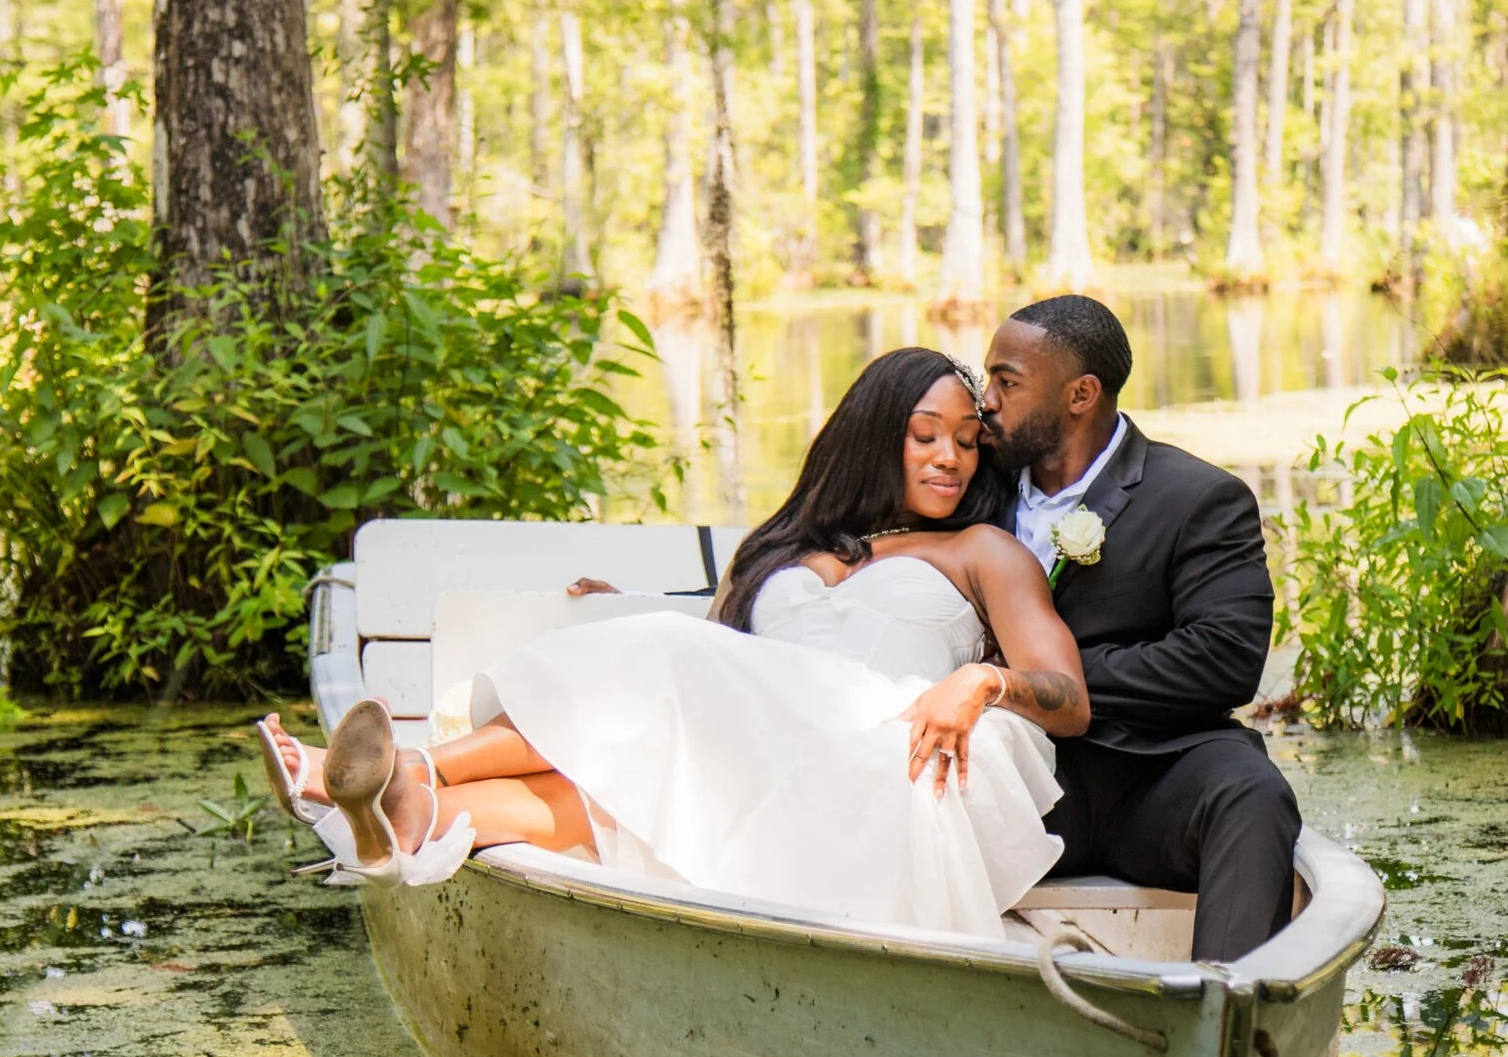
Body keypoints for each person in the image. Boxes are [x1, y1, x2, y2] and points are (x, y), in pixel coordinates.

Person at [258, 348, 1090, 940]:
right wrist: (635, 607)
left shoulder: (985, 553)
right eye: (925, 434)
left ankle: (410, 767)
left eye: (967, 440)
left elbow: (1068, 696)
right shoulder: (787, 548)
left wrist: (982, 682)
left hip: (879, 764)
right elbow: (732, 649)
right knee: (621, 785)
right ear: (877, 435)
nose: (950, 456)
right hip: (765, 763)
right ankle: (417, 812)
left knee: (657, 659)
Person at [979, 295, 1301, 962]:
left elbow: (1224, 660)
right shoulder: (969, 487)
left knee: (1254, 792)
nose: (986, 399)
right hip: (1016, 781)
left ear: (1080, 393)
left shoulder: (1197, 498)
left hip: (1157, 772)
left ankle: (1225, 1018)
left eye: (1005, 381)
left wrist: (1047, 681)